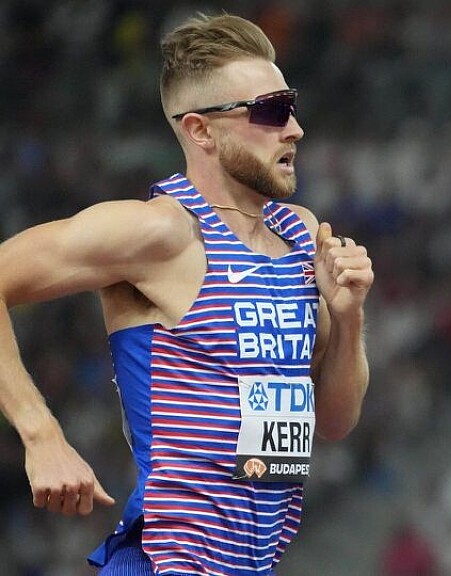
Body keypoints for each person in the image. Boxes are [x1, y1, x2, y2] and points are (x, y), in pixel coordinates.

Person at [0, 12, 373, 575]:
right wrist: (41, 435)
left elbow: (336, 422)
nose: (294, 129)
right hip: (169, 560)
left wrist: (348, 318)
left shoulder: (301, 236)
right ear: (201, 131)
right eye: (271, 111)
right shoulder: (161, 233)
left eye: (292, 107)